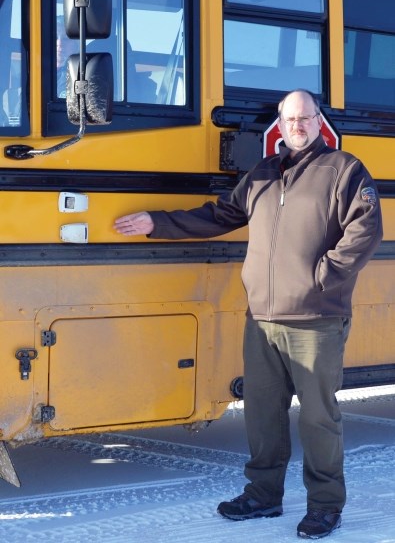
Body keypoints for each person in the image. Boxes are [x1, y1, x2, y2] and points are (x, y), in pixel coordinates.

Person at [113, 89, 383, 539]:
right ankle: (263, 494)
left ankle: (325, 505)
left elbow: (365, 230)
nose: (298, 125)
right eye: (290, 118)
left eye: (306, 117)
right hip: (261, 318)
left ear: (319, 121)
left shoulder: (344, 170)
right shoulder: (262, 174)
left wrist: (323, 277)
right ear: (280, 123)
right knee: (262, 413)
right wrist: (156, 223)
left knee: (318, 417)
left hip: (315, 318)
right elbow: (221, 215)